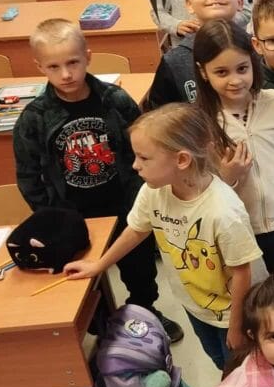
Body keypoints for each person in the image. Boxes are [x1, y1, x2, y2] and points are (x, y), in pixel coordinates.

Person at [13, 19, 183, 342]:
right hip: (73, 216)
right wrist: (51, 215)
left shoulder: (115, 100)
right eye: (54, 66)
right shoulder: (34, 118)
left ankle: (144, 311)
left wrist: (143, 195)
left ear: (88, 57)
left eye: (73, 62)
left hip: (124, 205)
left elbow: (143, 147)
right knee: (87, 277)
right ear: (39, 67)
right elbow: (27, 174)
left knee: (140, 269)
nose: (66, 74)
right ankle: (105, 325)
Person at [64, 104, 264, 371]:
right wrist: (98, 266)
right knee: (219, 361)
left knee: (240, 370)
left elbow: (242, 271)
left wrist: (237, 326)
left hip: (234, 313)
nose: (135, 165)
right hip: (196, 304)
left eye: (144, 158)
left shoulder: (223, 211)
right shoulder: (153, 191)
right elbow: (137, 229)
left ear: (181, 160)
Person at [193, 20, 274, 275]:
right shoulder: (199, 122)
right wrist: (228, 178)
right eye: (221, 72)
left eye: (242, 68)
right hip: (235, 231)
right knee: (249, 294)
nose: (235, 80)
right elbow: (195, 192)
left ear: (252, 61)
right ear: (203, 72)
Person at [145, 0, 245, 109]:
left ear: (240, 2)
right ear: (189, 4)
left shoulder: (256, 49)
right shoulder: (174, 61)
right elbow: (160, 114)